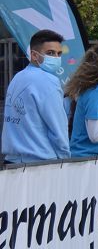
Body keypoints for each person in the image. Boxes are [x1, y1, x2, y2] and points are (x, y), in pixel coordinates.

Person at [1, 29, 70, 164]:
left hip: (12, 161)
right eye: (50, 53)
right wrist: (65, 159)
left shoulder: (18, 77)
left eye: (59, 53)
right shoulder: (48, 80)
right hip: (40, 163)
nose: (56, 57)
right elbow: (58, 127)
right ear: (34, 55)